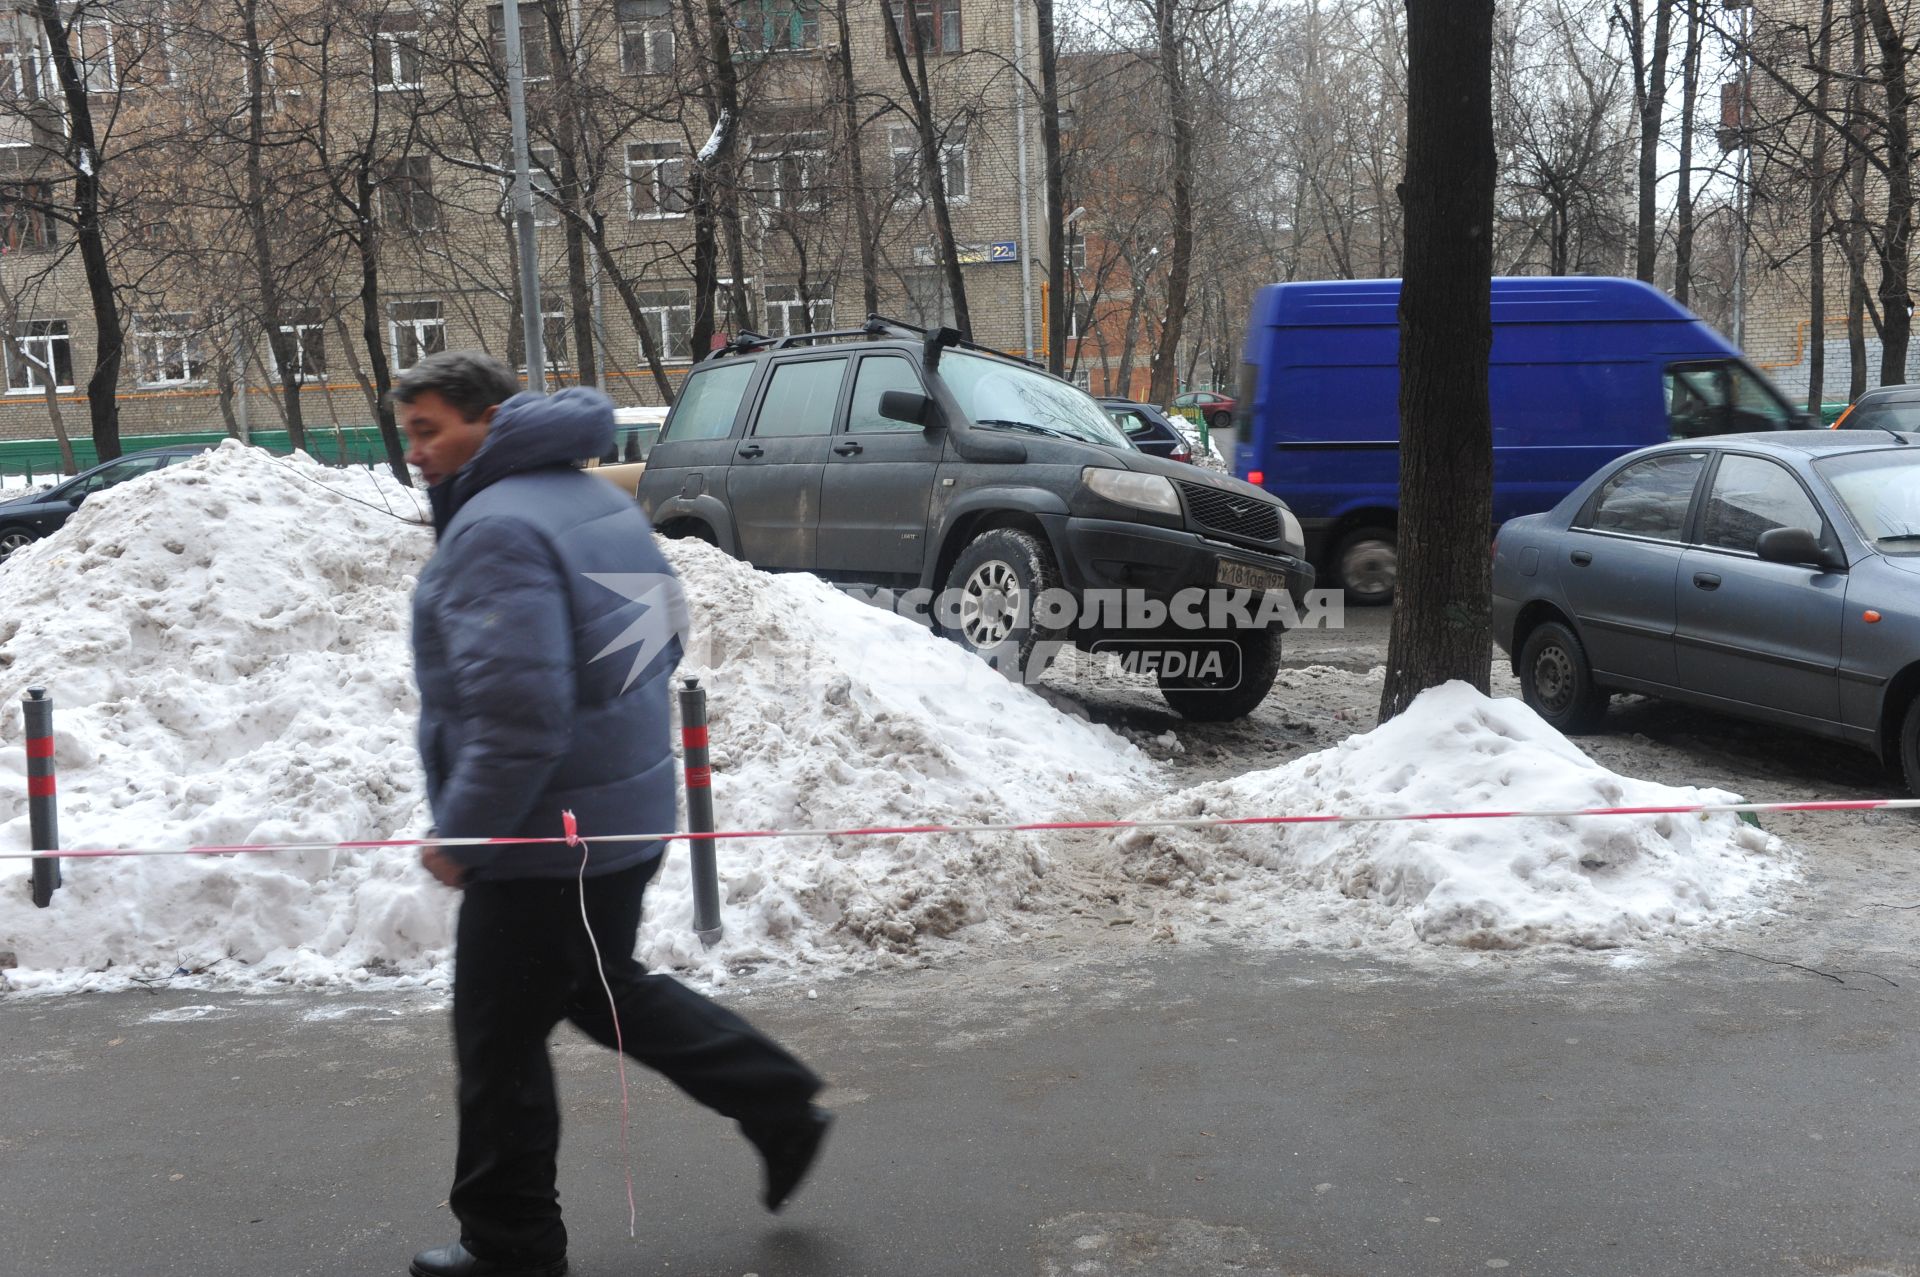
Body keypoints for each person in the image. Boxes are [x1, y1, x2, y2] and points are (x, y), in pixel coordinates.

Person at [397, 352, 830, 1277]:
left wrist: (466, 834)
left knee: (498, 1038)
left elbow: (520, 713)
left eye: (431, 429)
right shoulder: (589, 497)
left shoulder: (497, 529)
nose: (419, 453)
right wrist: (605, 741)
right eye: (412, 434)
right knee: (597, 990)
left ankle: (510, 1245)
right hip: (621, 811)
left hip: (540, 837)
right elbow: (661, 633)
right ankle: (777, 1100)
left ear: (488, 419)